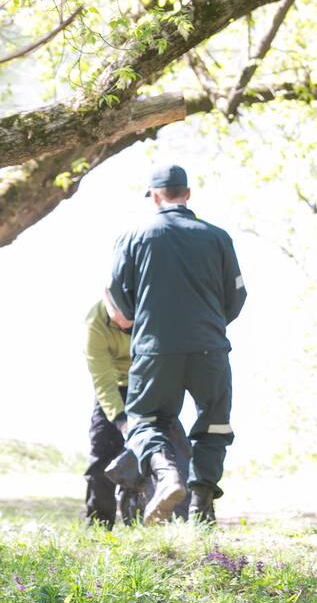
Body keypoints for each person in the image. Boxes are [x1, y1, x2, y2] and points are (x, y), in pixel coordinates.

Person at [109, 163, 246, 524]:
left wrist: (149, 326)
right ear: (187, 193)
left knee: (143, 419)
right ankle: (202, 505)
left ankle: (167, 475)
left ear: (155, 196)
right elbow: (237, 297)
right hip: (210, 347)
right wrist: (210, 326)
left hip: (155, 349)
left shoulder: (134, 236)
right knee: (214, 423)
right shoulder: (218, 237)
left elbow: (119, 301)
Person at [81, 292, 134, 528]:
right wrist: (120, 419)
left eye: (130, 323)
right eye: (118, 322)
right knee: (102, 451)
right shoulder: (95, 323)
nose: (124, 326)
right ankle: (99, 525)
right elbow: (102, 380)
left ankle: (144, 521)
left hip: (145, 385)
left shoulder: (151, 311)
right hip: (112, 387)